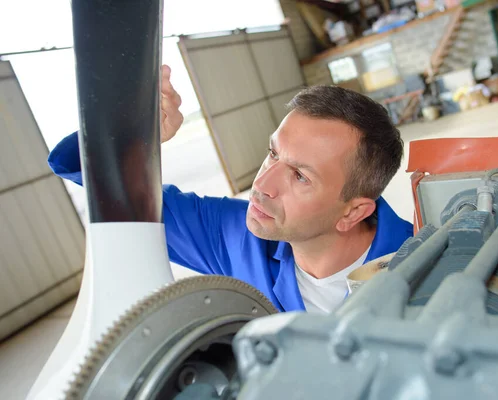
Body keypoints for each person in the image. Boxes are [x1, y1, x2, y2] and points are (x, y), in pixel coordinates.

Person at [48, 65, 413, 314]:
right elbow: (106, 188)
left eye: (300, 176)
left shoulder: (424, 266)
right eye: (272, 154)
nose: (262, 186)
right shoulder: (236, 236)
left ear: (353, 212)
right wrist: (129, 131)